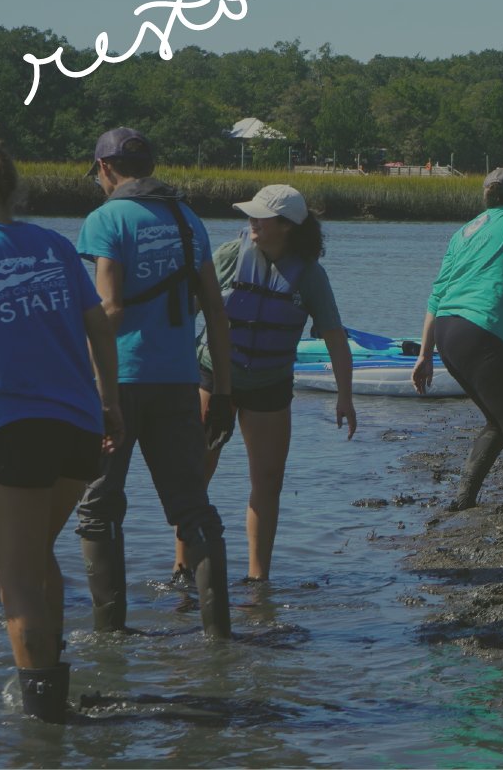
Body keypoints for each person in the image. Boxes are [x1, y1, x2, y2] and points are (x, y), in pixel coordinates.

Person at [0, 119, 122, 723]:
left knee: (12, 574)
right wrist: (111, 403)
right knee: (38, 557)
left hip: (17, 425)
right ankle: (51, 679)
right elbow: (99, 327)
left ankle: (41, 714)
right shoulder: (55, 245)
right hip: (79, 426)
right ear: (12, 187)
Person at [75, 127, 234, 637]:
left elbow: (110, 308)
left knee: (99, 507)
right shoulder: (188, 218)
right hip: (180, 381)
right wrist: (224, 390)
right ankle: (218, 635)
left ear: (104, 168)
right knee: (193, 509)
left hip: (118, 380)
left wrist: (83, 380)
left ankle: (109, 636)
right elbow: (215, 309)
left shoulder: (106, 219)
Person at [172, 184, 357, 583]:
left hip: (269, 385)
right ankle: (183, 568)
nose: (252, 221)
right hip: (213, 375)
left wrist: (345, 396)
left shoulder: (309, 275)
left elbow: (335, 337)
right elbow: (185, 310)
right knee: (197, 472)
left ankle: (258, 579)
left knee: (269, 481)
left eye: (261, 216)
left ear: (287, 226)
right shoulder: (228, 255)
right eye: (251, 214)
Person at [412, 168, 503, 516]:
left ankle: (463, 500)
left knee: (499, 419)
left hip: (446, 331)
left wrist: (425, 354)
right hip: (479, 332)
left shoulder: (464, 231)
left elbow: (437, 294)